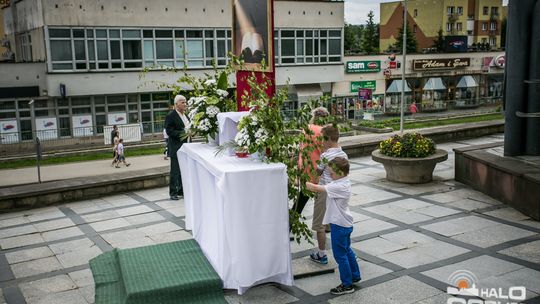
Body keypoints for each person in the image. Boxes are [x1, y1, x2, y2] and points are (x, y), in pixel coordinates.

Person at [306, 157, 361, 295]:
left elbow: (315, 187)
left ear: (341, 173)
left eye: (332, 173)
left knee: (340, 255)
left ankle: (347, 285)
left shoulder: (338, 186)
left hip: (339, 225)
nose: (330, 176)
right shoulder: (343, 182)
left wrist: (301, 181)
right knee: (347, 250)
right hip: (345, 224)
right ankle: (355, 275)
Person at [309, 124, 348, 265]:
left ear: (329, 139)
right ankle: (345, 251)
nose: (321, 142)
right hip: (337, 193)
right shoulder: (343, 154)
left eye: (323, 139)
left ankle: (321, 254)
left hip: (324, 191)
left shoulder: (325, 155)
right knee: (334, 222)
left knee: (319, 224)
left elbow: (317, 173)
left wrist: (311, 184)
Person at [290, 107, 329, 233]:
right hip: (319, 171)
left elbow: (301, 148)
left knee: (300, 200)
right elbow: (326, 151)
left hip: (305, 168)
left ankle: (289, 226)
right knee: (324, 199)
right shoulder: (324, 131)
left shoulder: (306, 129)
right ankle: (325, 225)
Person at [165, 95, 190, 200]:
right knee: (175, 171)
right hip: (176, 147)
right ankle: (173, 192)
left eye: (185, 102)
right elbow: (169, 131)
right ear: (176, 104)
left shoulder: (186, 116)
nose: (185, 104)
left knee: (183, 170)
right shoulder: (171, 115)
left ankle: (181, 190)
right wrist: (183, 133)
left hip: (187, 147)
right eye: (182, 102)